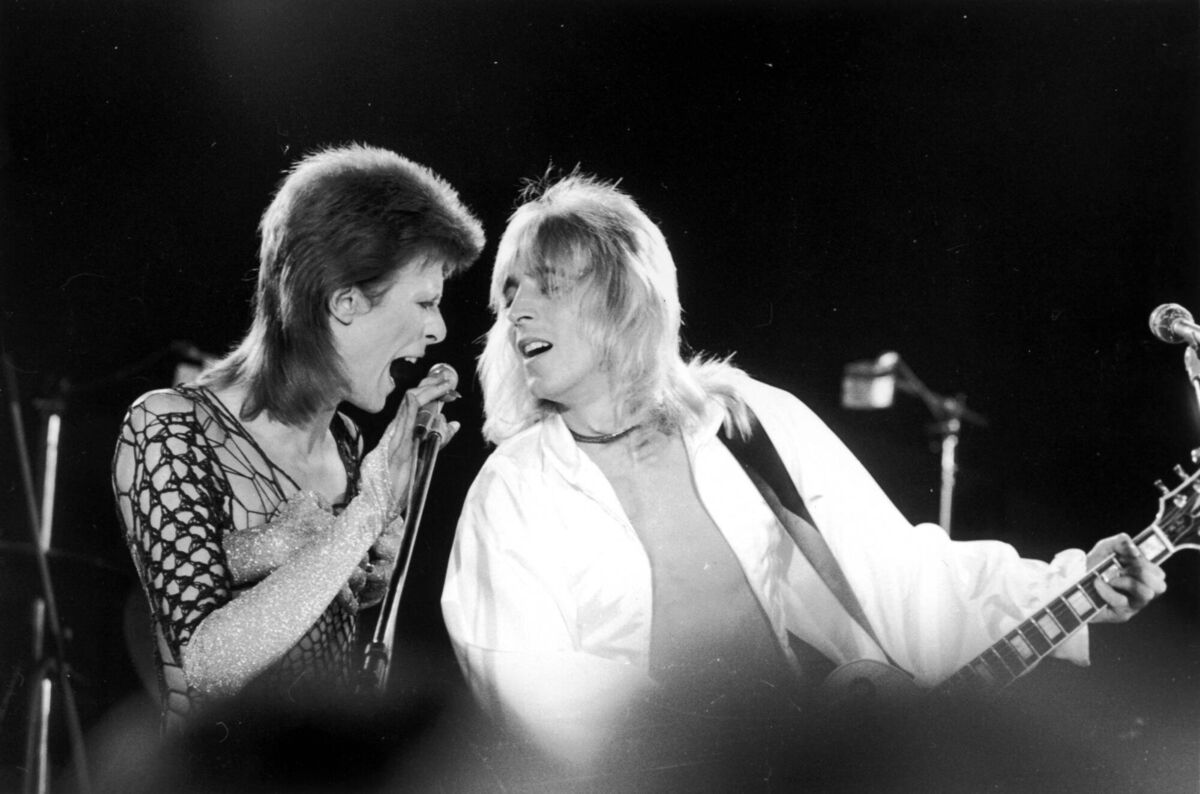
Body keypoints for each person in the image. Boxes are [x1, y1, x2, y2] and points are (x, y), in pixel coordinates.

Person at [439, 173, 1167, 778]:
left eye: (547, 286)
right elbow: (528, 686)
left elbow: (905, 572)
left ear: (625, 293)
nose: (516, 313)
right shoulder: (512, 492)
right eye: (509, 294)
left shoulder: (746, 423)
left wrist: (1072, 585)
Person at [112, 144, 484, 735]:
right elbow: (209, 667)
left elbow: (313, 632)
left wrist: (370, 571)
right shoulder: (168, 427)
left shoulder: (348, 442)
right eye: (425, 302)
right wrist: (364, 517)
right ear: (344, 302)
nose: (438, 329)